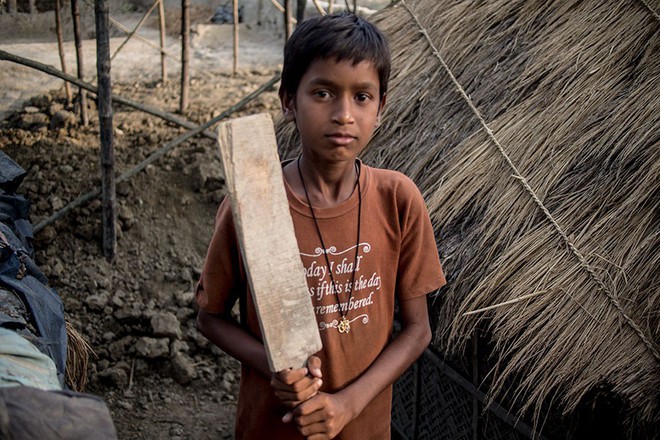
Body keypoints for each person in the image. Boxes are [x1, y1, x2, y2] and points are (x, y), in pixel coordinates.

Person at [196, 12, 446, 440]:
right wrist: (272, 364)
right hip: (271, 428)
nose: (343, 114)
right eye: (324, 93)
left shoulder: (398, 200)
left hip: (364, 428)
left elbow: (418, 329)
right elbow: (209, 316)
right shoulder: (255, 204)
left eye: (362, 97)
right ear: (289, 101)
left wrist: (348, 404)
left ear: (381, 108)